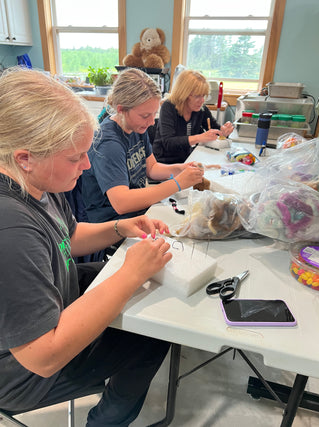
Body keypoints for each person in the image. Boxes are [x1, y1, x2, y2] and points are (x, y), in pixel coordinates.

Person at [0, 66, 174, 427]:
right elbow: (43, 356)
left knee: (149, 294)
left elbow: (69, 236)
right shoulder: (10, 227)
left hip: (54, 297)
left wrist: (118, 227)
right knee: (152, 335)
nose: (87, 164)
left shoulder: (38, 185)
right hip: (21, 373)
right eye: (74, 157)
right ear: (24, 157)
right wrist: (129, 273)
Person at [81, 67, 204, 224]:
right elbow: (122, 203)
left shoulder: (136, 126)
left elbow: (151, 168)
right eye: (146, 115)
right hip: (112, 223)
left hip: (137, 211)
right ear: (121, 110)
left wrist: (179, 169)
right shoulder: (108, 143)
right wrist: (177, 183)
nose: (152, 122)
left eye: (154, 114)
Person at [153, 69, 234, 164]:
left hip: (188, 159)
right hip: (165, 162)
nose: (202, 100)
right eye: (197, 96)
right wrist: (199, 137)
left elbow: (215, 129)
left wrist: (224, 131)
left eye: (204, 96)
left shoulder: (201, 110)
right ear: (183, 94)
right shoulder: (168, 107)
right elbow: (168, 143)